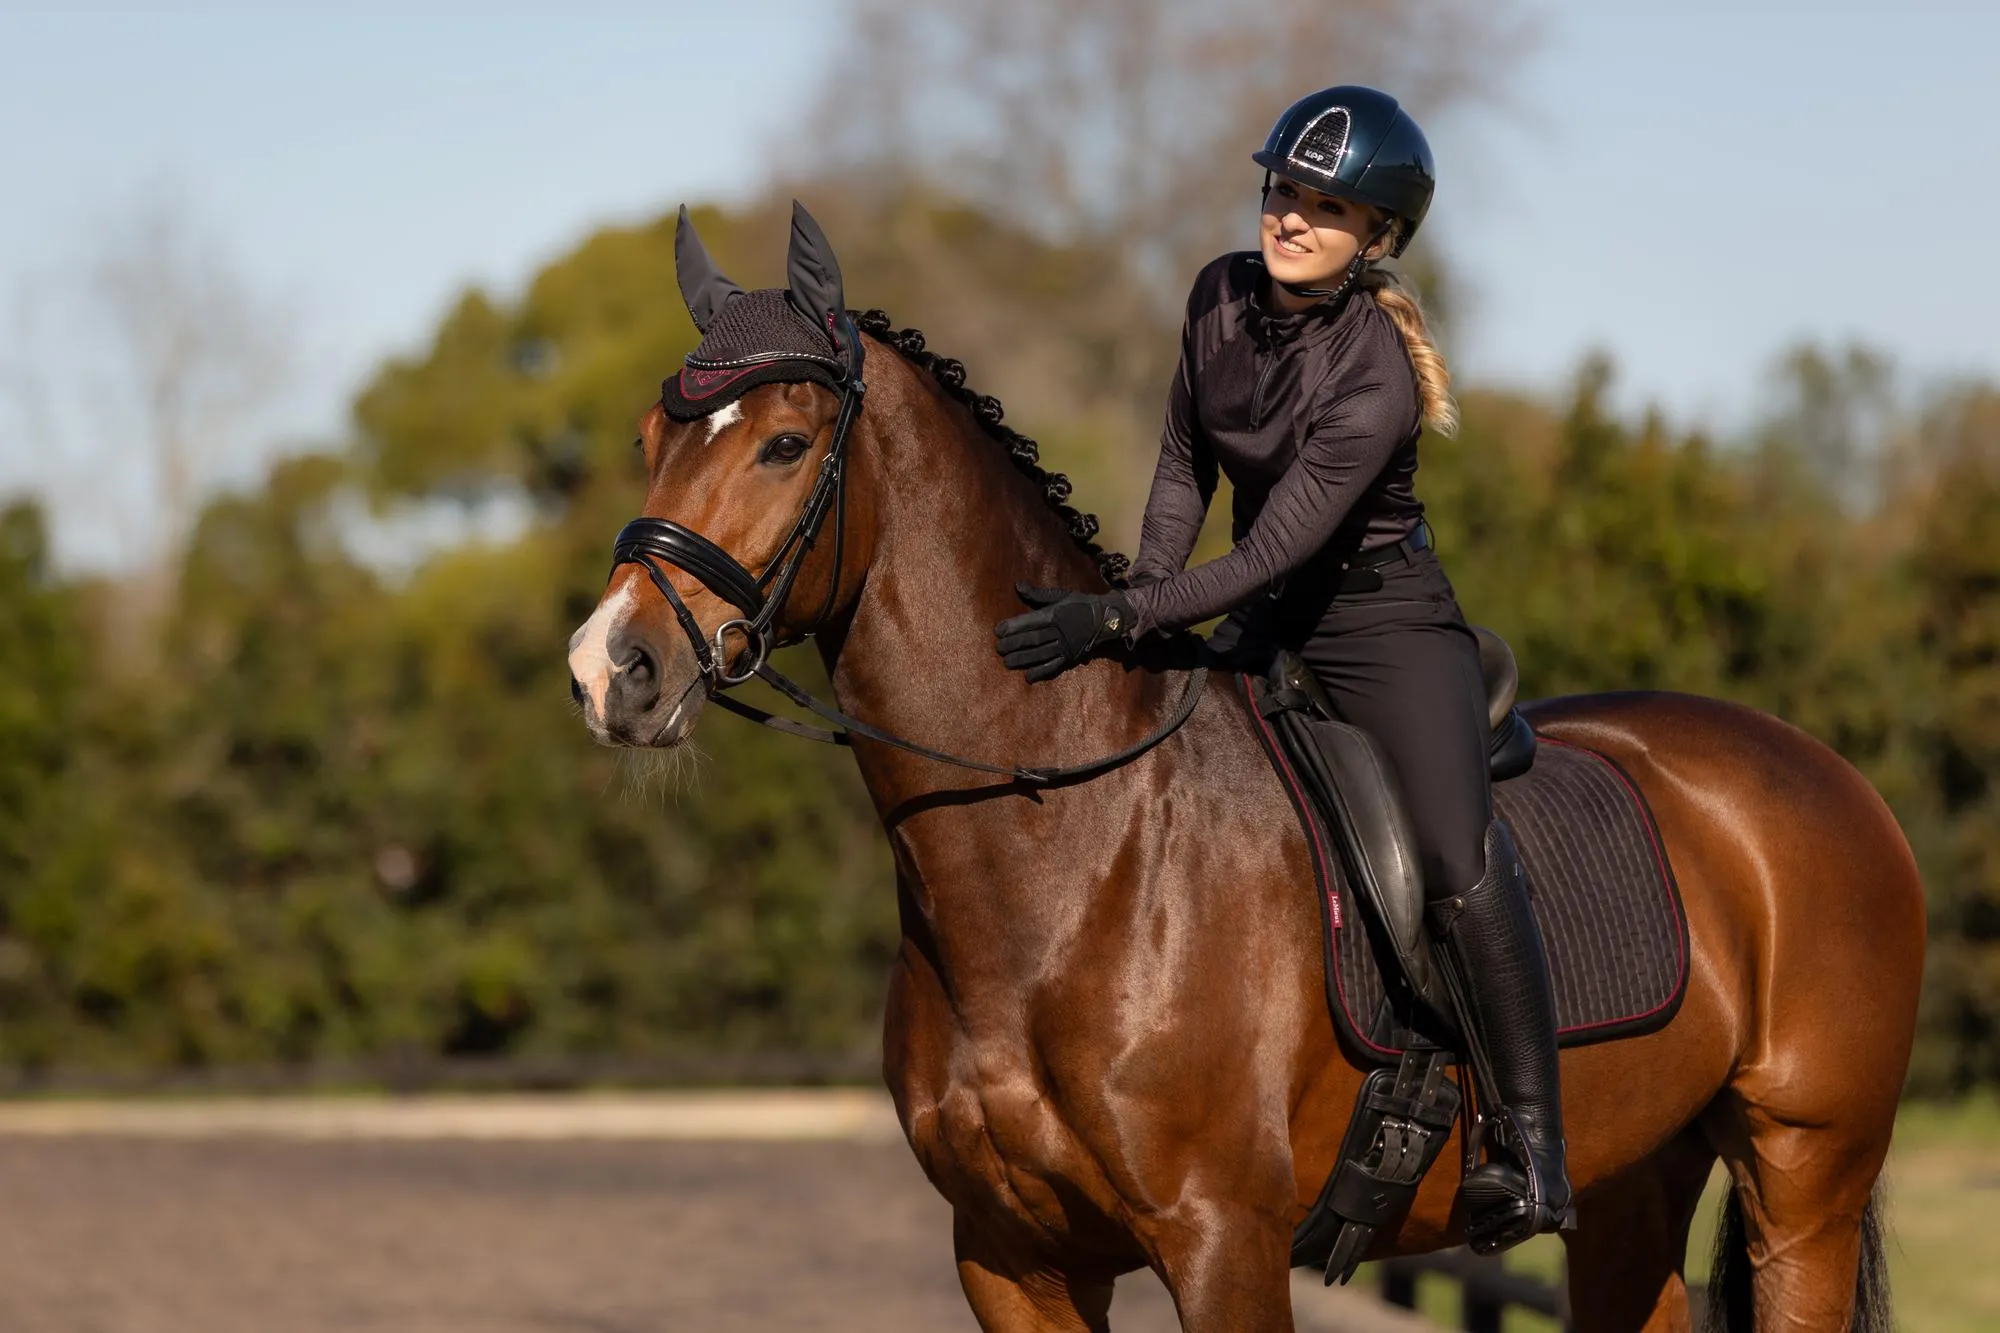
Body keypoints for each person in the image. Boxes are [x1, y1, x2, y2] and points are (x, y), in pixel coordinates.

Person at [991, 85, 1572, 1253]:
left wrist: (1114, 615)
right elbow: (1178, 465)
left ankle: (1527, 1142)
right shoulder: (1214, 293)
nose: (1291, 220)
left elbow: (1270, 548)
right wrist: (1142, 607)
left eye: (1327, 207)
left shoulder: (1375, 378)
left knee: (1456, 858)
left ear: (1378, 239)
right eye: (1284, 192)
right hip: (1261, 614)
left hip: (1378, 627)